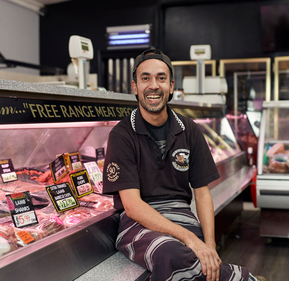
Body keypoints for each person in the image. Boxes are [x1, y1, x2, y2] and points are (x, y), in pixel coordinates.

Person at [103, 48, 266, 281]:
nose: (153, 85)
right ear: (134, 87)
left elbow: (201, 194)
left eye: (161, 78)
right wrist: (191, 240)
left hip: (182, 215)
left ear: (171, 86)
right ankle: (244, 278)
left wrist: (209, 246)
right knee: (170, 253)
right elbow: (133, 206)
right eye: (145, 78)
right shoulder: (122, 134)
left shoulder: (189, 129)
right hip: (136, 224)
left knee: (189, 260)